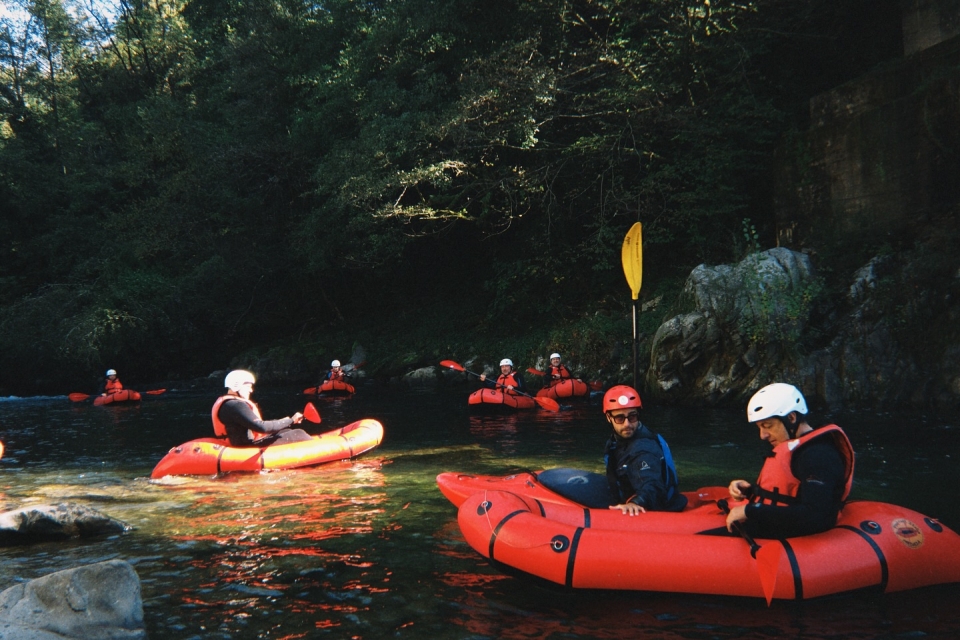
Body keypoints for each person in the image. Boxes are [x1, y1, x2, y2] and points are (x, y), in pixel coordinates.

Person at [724, 382, 854, 539]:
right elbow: (790, 495)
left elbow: (816, 516)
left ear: (791, 418)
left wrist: (750, 510)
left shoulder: (818, 456)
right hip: (775, 525)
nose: (762, 435)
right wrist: (750, 491)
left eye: (768, 426)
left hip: (794, 536)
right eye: (760, 427)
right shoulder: (798, 449)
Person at [603, 385, 687, 515]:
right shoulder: (616, 441)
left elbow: (652, 484)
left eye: (632, 417)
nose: (627, 424)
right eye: (619, 418)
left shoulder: (644, 449)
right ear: (609, 418)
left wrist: (636, 502)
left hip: (660, 510)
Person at [212, 370, 313, 448]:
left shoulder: (229, 404)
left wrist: (288, 421)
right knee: (298, 434)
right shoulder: (235, 405)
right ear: (237, 385)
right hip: (244, 447)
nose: (251, 390)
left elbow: (259, 426)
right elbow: (262, 427)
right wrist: (291, 420)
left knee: (286, 431)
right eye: (248, 386)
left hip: (244, 443)